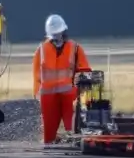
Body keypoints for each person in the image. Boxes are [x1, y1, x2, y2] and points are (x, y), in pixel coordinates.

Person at [33, 14, 91, 143]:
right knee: (49, 134)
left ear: (63, 31)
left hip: (69, 96)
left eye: (58, 34)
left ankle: (73, 148)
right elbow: (36, 74)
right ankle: (48, 153)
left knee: (73, 128)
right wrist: (37, 93)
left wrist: (84, 95)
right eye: (54, 35)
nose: (56, 38)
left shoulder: (75, 48)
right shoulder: (41, 50)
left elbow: (85, 72)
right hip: (48, 96)